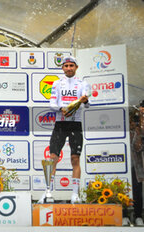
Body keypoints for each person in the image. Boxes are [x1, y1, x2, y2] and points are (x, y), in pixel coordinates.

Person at [38, 56, 90, 204]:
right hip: (60, 124)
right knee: (52, 158)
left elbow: (87, 105)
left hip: (75, 124)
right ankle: (48, 192)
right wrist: (62, 108)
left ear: (76, 67)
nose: (68, 68)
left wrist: (85, 100)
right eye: (66, 66)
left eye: (71, 66)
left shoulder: (83, 84)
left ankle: (75, 195)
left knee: (75, 159)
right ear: (63, 68)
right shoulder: (57, 83)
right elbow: (52, 104)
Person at [123, 105, 144, 226]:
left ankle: (138, 216)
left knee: (137, 191)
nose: (132, 123)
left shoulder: (138, 132)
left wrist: (137, 132)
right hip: (122, 166)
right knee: (122, 191)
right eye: (130, 120)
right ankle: (124, 214)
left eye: (133, 120)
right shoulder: (121, 132)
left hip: (135, 167)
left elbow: (138, 147)